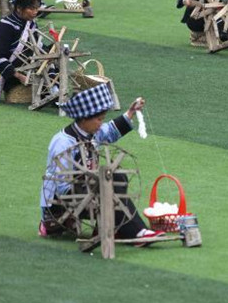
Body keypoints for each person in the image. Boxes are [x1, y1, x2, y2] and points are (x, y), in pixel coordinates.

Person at [39, 84, 162, 245]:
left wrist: (131, 112)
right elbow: (62, 187)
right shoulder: (63, 142)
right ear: (84, 118)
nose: (100, 124)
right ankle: (137, 233)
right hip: (61, 204)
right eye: (99, 119)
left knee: (116, 178)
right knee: (110, 185)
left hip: (85, 190)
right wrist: (96, 184)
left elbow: (110, 131)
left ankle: (129, 230)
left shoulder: (91, 133)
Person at [0, 0, 41, 101]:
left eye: (37, 8)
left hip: (29, 69)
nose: (35, 12)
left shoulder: (32, 24)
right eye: (31, 8)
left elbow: (38, 48)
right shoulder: (5, 26)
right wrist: (19, 76)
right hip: (11, 75)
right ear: (19, 8)